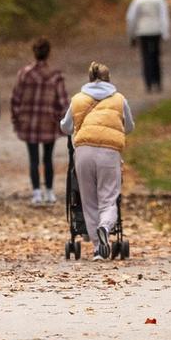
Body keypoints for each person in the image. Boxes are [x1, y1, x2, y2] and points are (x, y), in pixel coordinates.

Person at [59, 62, 134, 261]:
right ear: (109, 79)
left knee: (88, 200)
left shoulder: (78, 99)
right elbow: (129, 127)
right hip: (109, 153)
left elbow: (66, 127)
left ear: (89, 78)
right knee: (108, 198)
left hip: (84, 151)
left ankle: (98, 248)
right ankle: (105, 226)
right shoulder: (119, 100)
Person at [9, 38, 68, 204]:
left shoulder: (24, 73)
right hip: (49, 122)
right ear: (49, 53)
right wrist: (63, 119)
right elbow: (63, 101)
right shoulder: (56, 75)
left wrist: (16, 118)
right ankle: (49, 192)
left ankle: (36, 193)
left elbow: (15, 98)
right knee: (48, 158)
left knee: (33, 158)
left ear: (34, 52)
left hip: (29, 122)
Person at [125, 0, 171, 93]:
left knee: (145, 56)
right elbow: (164, 16)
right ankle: (158, 82)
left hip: (143, 31)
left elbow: (131, 18)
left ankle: (148, 83)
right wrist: (165, 32)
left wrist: (131, 35)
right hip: (156, 30)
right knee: (155, 55)